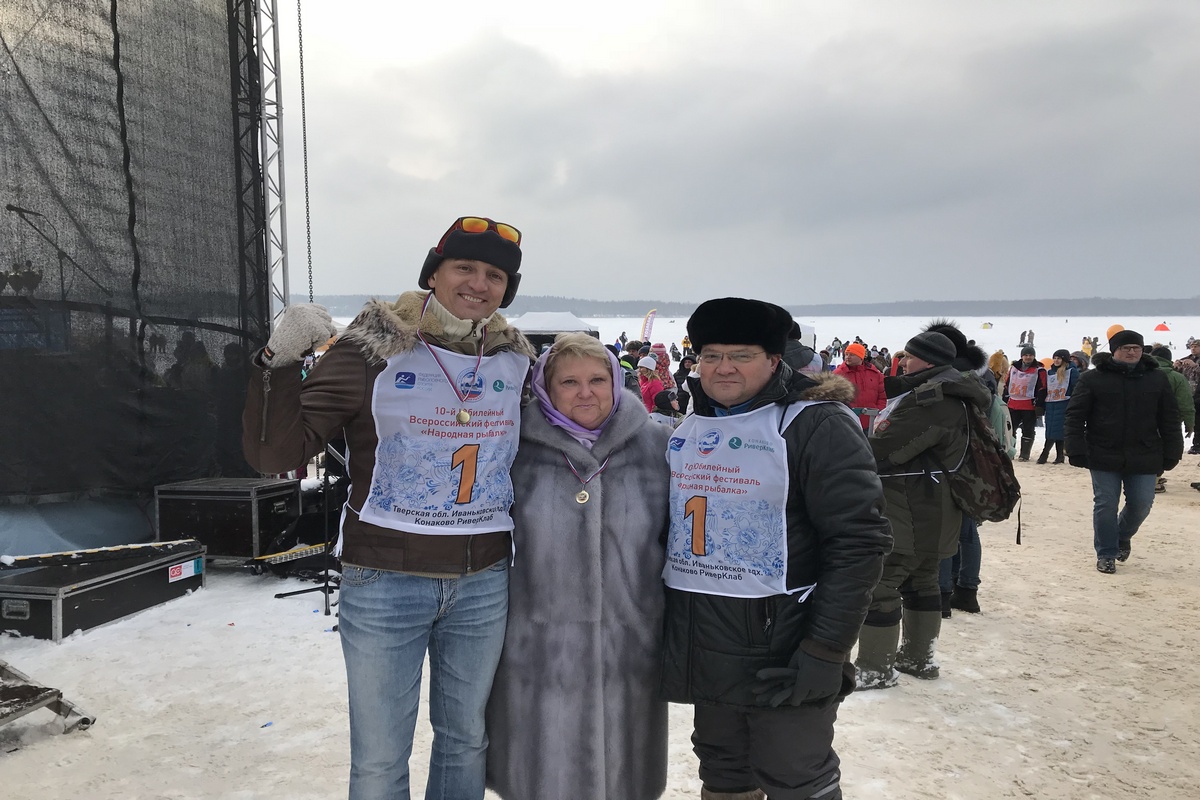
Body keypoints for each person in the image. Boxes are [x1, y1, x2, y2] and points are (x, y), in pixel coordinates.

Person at [243, 215, 534, 800]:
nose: (479, 284)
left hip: (482, 581)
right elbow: (276, 453)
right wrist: (278, 361)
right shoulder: (372, 349)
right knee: (380, 758)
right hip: (385, 580)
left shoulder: (514, 359)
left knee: (465, 741)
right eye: (465, 267)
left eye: (495, 275)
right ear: (433, 274)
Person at [660, 298, 891, 800]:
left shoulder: (815, 424)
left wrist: (826, 649)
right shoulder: (694, 422)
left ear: (773, 360)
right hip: (707, 642)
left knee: (794, 772)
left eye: (741, 355)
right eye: (711, 355)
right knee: (722, 770)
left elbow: (858, 541)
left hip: (784, 644)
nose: (723, 367)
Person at [486, 333, 670, 800]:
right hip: (538, 649)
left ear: (615, 382)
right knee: (543, 775)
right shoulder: (513, 447)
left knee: (626, 776)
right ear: (545, 388)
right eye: (569, 382)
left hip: (629, 646)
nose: (585, 393)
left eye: (597, 380)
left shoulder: (657, 446)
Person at [856, 329, 990, 690]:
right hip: (939, 504)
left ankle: (874, 667)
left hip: (911, 506)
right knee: (922, 581)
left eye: (910, 356)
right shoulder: (957, 394)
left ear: (928, 362)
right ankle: (919, 658)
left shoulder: (932, 399)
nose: (903, 362)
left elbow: (884, 449)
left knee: (881, 583)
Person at [1064, 329, 1183, 574]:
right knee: (1106, 503)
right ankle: (1106, 553)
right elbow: (1075, 416)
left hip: (1145, 453)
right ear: (1113, 351)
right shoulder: (1093, 379)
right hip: (1103, 452)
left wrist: (1173, 451)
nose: (1131, 352)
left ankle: (1122, 535)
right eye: (1125, 348)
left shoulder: (1156, 379)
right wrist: (1075, 448)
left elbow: (1169, 418)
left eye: (1136, 348)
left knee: (1142, 504)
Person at [1148, 346, 1195, 491]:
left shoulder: (1144, 373)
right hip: (1170, 422)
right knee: (1165, 449)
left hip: (1142, 419)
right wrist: (1190, 424)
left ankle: (1149, 476)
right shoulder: (1177, 377)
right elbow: (1185, 403)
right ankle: (1154, 478)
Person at [1003, 345, 1047, 461]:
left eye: (1030, 355)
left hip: (1029, 405)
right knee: (1010, 429)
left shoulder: (1039, 370)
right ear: (1022, 356)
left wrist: (1039, 405)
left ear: (1034, 356)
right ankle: (1010, 452)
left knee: (1028, 429)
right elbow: (1007, 384)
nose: (1028, 357)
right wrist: (1004, 400)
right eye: (1026, 355)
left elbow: (1043, 388)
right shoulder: (1013, 368)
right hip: (1013, 404)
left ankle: (1024, 454)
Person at [1037, 350, 1079, 464]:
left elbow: (1076, 388)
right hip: (1051, 404)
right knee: (1050, 429)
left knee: (1059, 430)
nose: (1056, 360)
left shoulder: (1071, 372)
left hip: (1064, 403)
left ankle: (1047, 454)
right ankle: (1057, 455)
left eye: (1059, 358)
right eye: (1055, 358)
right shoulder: (1050, 372)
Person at [832, 342, 886, 432]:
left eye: (852, 355)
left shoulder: (875, 374)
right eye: (846, 354)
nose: (848, 357)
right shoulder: (838, 374)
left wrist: (878, 412)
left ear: (861, 356)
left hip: (871, 422)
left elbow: (883, 396)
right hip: (847, 423)